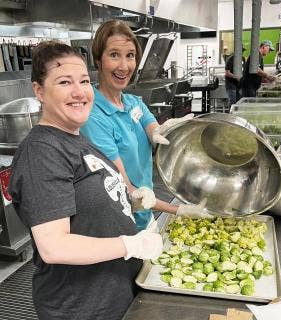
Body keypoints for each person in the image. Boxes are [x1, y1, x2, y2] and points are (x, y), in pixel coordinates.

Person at [8, 40, 163, 320]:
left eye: (84, 81)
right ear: (39, 91)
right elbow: (54, 246)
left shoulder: (76, 139)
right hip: (81, 306)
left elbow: (87, 200)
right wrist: (130, 244)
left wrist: (128, 201)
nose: (79, 92)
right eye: (65, 82)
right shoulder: (41, 152)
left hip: (115, 293)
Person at [80, 20, 210, 231]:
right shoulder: (94, 118)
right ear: (98, 60)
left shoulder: (132, 102)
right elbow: (126, 190)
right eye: (114, 55)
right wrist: (177, 210)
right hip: (120, 227)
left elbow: (150, 125)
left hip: (144, 216)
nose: (124, 66)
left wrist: (162, 130)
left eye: (130, 55)